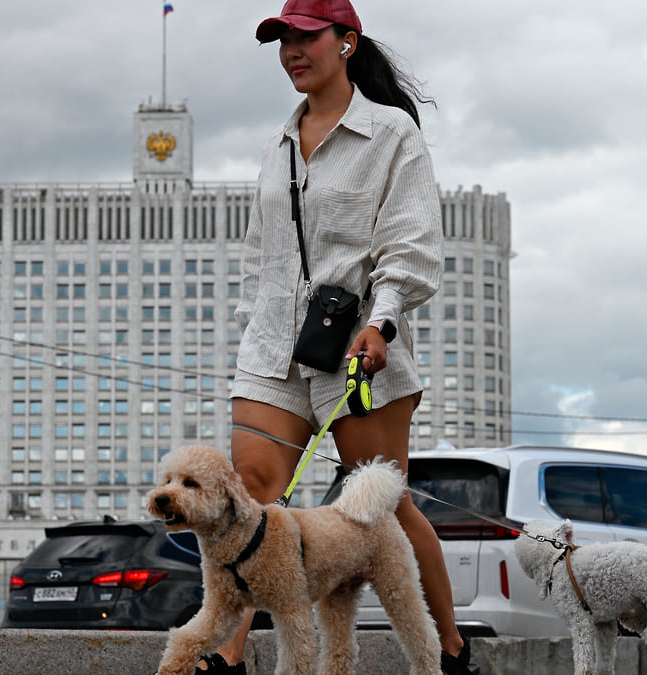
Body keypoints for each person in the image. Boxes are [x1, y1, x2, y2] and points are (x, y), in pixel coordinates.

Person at [195, 1, 478, 674]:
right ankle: (228, 656)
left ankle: (451, 651)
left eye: (306, 36)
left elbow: (408, 247)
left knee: (380, 501)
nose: (292, 50)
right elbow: (259, 254)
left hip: (356, 348)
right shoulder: (278, 144)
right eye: (282, 39)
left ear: (346, 42)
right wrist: (250, 327)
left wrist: (382, 322)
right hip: (272, 350)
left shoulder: (391, 135)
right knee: (254, 496)